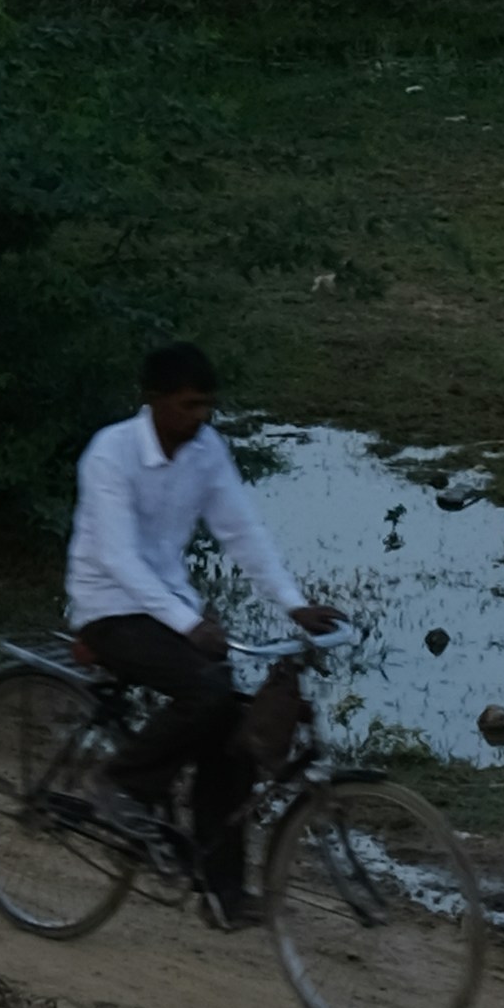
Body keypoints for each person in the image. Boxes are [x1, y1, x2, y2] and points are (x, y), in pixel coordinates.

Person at [65, 340, 340, 926]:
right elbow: (117, 559)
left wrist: (293, 605)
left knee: (233, 729)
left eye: (206, 406)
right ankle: (120, 784)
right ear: (155, 401)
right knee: (206, 692)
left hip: (169, 606)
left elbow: (241, 531)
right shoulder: (110, 454)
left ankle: (223, 891)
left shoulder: (207, 451)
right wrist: (188, 624)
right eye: (188, 406)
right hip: (109, 606)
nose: (200, 417)